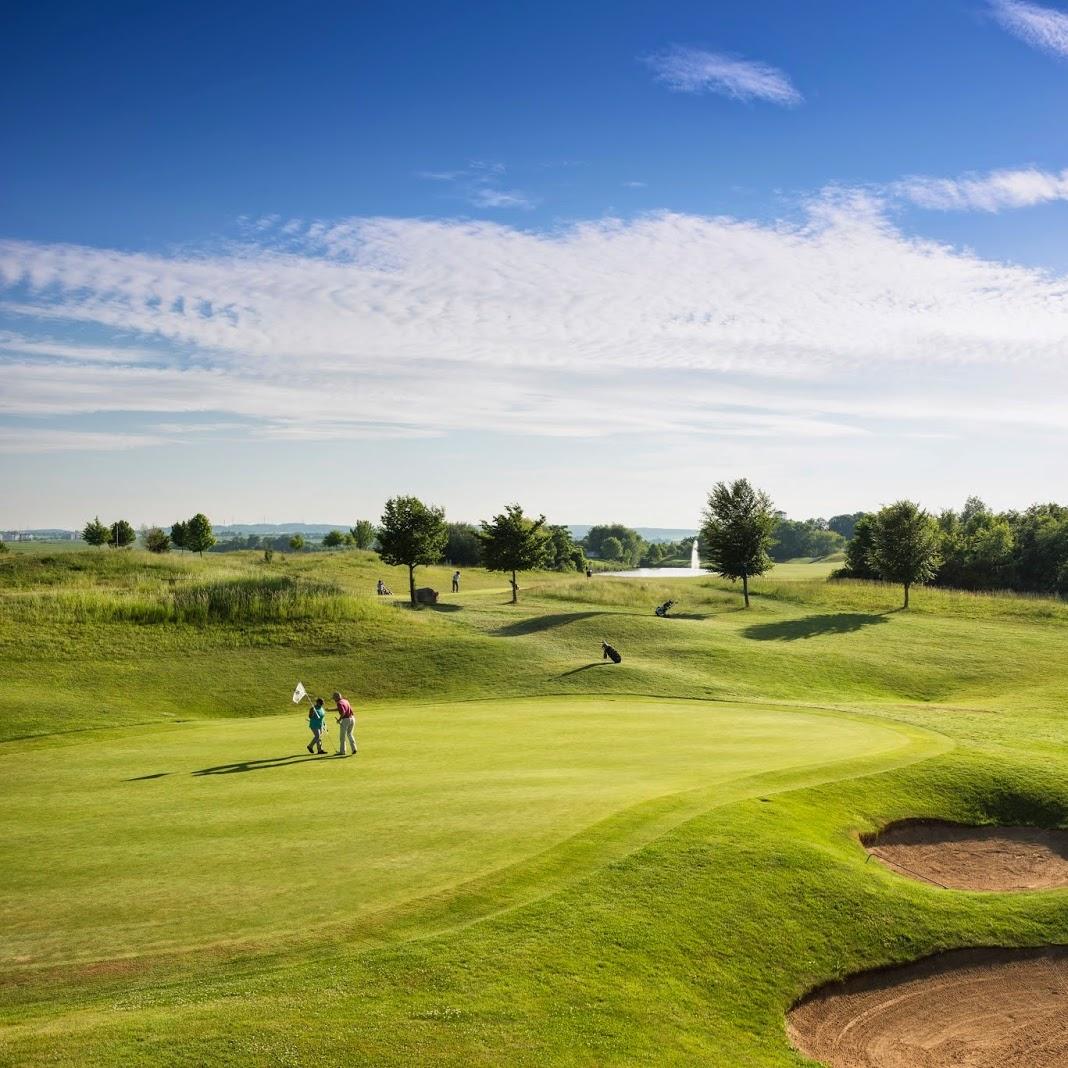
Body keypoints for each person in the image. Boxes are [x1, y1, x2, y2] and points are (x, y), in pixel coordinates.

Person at [331, 691, 357, 756]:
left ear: (337, 698)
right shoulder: (345, 700)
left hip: (346, 720)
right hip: (352, 718)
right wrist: (330, 710)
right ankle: (354, 748)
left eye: (334, 698)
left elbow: (343, 712)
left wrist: (339, 720)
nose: (334, 700)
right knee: (350, 734)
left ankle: (342, 751)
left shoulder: (339, 703)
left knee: (342, 736)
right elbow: (343, 709)